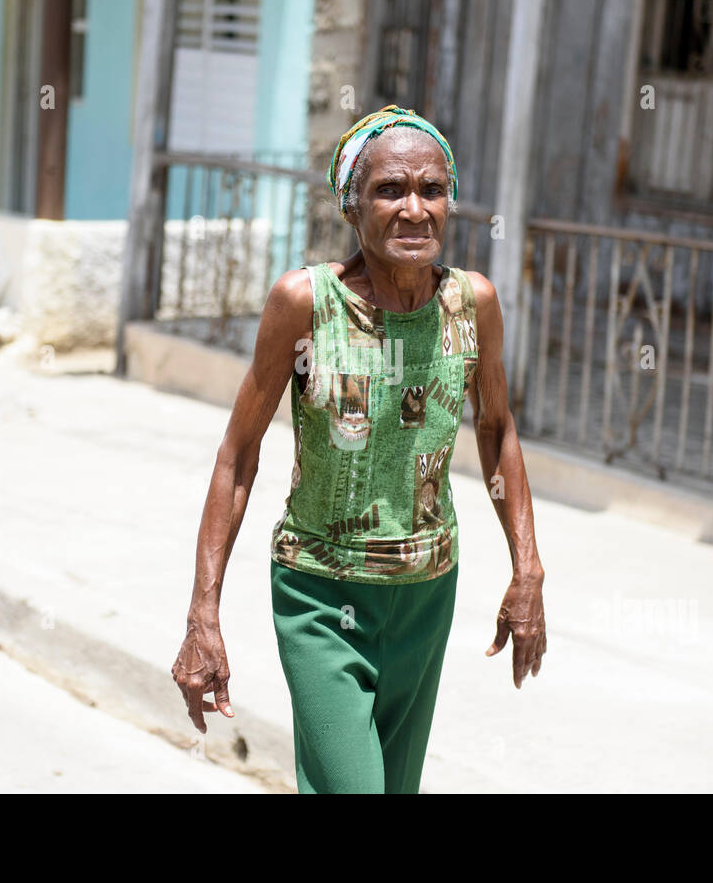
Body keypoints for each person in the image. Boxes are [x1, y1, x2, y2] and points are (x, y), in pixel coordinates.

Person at [171, 104, 547, 793]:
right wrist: (204, 610)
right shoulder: (304, 305)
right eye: (390, 190)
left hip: (426, 595)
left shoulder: (473, 304)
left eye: (431, 190)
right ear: (351, 207)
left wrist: (528, 569)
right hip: (320, 593)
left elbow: (496, 430)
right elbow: (238, 454)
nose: (414, 209)